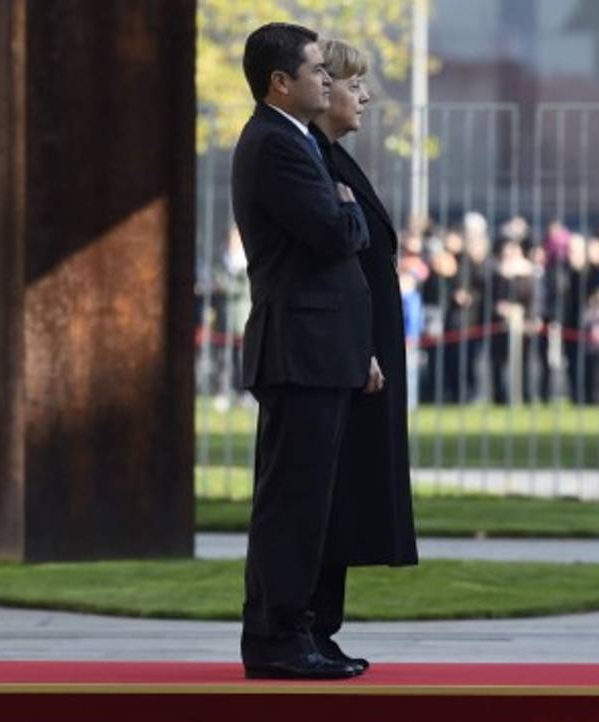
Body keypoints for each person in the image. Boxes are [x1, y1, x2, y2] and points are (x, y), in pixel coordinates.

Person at [231, 22, 380, 680]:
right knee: (292, 504)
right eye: (317, 69)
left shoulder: (295, 142)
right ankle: (277, 640)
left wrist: (345, 212)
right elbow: (331, 231)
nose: (328, 78)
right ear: (279, 83)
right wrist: (349, 215)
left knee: (309, 502)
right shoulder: (275, 146)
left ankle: (300, 633)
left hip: (319, 350)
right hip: (301, 350)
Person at [307, 33, 419, 661]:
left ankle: (324, 628)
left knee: (344, 493)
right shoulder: (315, 161)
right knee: (330, 494)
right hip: (348, 356)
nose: (364, 97)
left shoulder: (336, 160)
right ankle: (314, 629)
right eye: (353, 86)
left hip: (364, 353)